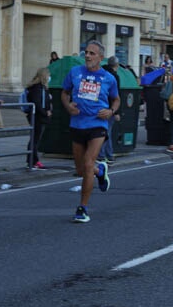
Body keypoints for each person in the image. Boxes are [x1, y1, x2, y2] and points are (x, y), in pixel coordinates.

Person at [61, 40, 118, 223]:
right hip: (78, 123)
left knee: (87, 163)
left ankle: (82, 208)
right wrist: (68, 106)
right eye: (86, 52)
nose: (87, 56)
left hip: (97, 124)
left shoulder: (108, 78)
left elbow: (116, 100)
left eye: (92, 53)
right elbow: (64, 93)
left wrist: (110, 111)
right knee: (80, 170)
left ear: (100, 58)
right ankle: (100, 171)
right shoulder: (75, 73)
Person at [24, 67, 52, 169]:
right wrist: (45, 112)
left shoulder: (42, 88)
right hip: (38, 117)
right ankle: (33, 160)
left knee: (35, 139)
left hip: (40, 116)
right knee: (35, 139)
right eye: (48, 75)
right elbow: (37, 103)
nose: (49, 77)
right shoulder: (37, 88)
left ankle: (33, 160)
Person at [97, 57, 120, 164]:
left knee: (104, 132)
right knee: (106, 132)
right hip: (109, 108)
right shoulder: (114, 77)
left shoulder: (102, 73)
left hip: (100, 106)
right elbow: (116, 97)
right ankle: (104, 155)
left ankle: (106, 154)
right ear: (117, 65)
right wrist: (115, 111)